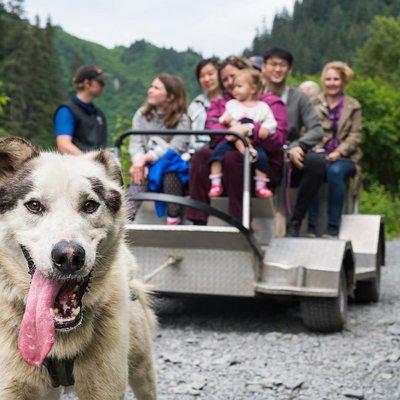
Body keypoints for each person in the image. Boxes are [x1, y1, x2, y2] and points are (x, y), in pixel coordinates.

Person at [186, 56, 288, 224]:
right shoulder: (222, 104)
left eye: (233, 77)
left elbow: (277, 139)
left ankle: (239, 223)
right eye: (224, 79)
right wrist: (234, 134)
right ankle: (197, 220)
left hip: (261, 162)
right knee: (202, 155)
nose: (229, 83)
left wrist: (250, 129)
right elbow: (213, 129)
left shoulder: (269, 103)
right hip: (227, 154)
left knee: (234, 158)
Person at [261, 47, 325, 237]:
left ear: (289, 70)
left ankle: (296, 221)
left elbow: (317, 129)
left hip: (290, 156)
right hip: (262, 154)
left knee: (316, 164)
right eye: (273, 64)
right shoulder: (254, 93)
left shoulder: (299, 97)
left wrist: (297, 145)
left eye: (283, 65)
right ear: (264, 68)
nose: (277, 69)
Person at [127, 73, 191, 224]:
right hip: (147, 165)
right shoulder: (142, 115)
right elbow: (136, 143)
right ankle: (126, 220)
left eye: (156, 88)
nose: (150, 90)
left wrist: (147, 157)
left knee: (170, 172)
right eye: (151, 86)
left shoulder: (182, 120)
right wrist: (139, 161)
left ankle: (173, 217)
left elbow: (175, 149)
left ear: (170, 96)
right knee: (139, 173)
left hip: (170, 167)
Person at [308, 62, 362, 237]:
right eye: (328, 79)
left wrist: (339, 152)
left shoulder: (353, 105)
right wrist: (319, 151)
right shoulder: (313, 103)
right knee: (314, 169)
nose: (332, 83)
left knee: (335, 171)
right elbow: (307, 130)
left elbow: (355, 136)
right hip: (319, 153)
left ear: (343, 81)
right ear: (323, 81)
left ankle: (332, 226)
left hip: (345, 158)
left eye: (336, 79)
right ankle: (310, 225)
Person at [208, 69, 277, 199]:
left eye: (239, 86)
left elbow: (270, 122)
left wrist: (266, 129)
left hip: (252, 140)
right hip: (232, 140)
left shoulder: (262, 107)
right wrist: (225, 120)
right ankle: (215, 183)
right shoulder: (232, 105)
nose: (235, 90)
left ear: (252, 88)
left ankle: (261, 186)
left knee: (261, 158)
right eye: (234, 87)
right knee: (217, 154)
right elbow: (223, 118)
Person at [54, 65, 108, 154]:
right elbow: (63, 144)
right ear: (87, 83)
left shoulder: (99, 114)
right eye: (100, 82)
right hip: (76, 165)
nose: (103, 85)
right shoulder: (67, 110)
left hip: (95, 165)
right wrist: (87, 162)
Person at [188, 58, 221, 153]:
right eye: (202, 76)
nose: (206, 79)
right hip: (196, 151)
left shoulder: (229, 101)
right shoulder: (196, 104)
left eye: (210, 74)